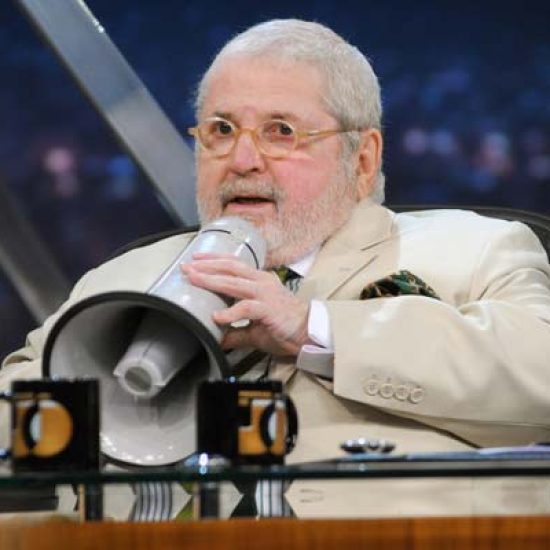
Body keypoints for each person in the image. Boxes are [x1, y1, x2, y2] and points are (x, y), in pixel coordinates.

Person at [2, 19, 550, 518]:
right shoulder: (120, 278)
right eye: (221, 130)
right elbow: (11, 424)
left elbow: (539, 374)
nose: (242, 161)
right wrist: (113, 366)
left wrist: (311, 327)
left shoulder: (476, 247)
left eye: (281, 131)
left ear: (362, 159)